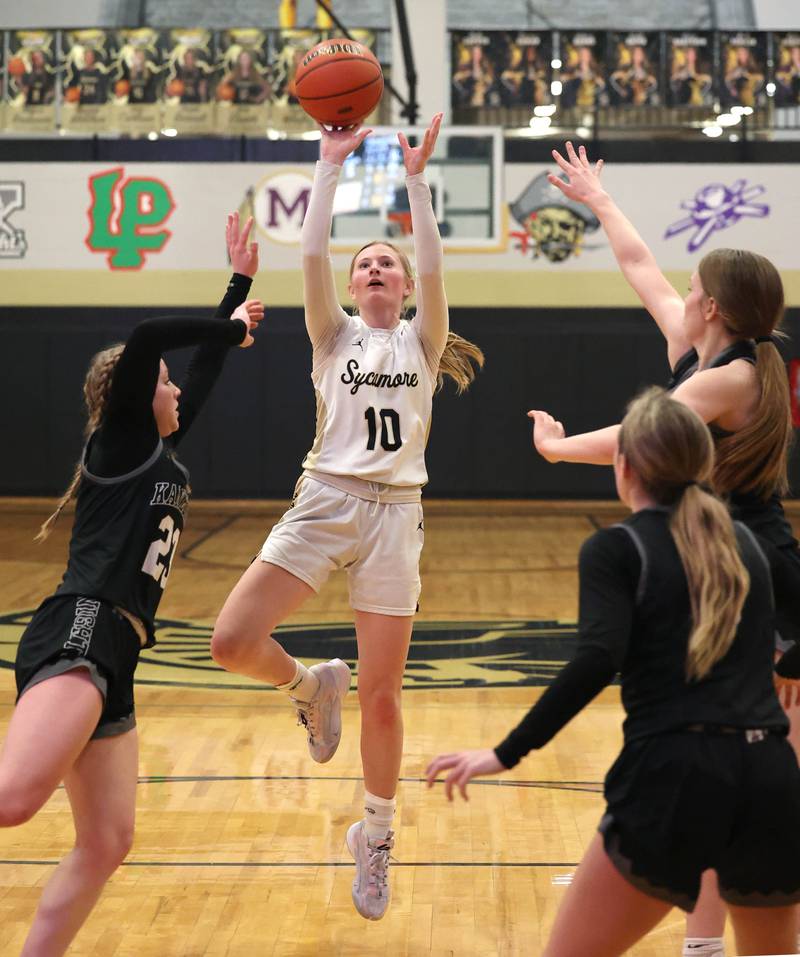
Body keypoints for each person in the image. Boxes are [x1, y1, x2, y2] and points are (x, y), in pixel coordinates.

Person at [528, 141, 800, 957]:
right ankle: (709, 938)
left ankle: (716, 938)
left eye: (693, 290)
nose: (678, 293)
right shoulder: (712, 353)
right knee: (736, 768)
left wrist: (558, 446)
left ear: (713, 308)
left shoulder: (736, 376)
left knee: (758, 767)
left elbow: (650, 433)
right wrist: (600, 201)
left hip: (766, 580)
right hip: (733, 571)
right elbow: (643, 267)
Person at [210, 113, 483, 921]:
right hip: (325, 499)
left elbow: (434, 265)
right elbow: (309, 256)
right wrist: (328, 165)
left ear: (401, 287)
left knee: (387, 696)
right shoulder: (330, 339)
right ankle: (308, 683)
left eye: (385, 264)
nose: (372, 269)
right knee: (230, 641)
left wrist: (417, 182)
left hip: (397, 516)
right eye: (364, 262)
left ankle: (377, 836)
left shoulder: (422, 343)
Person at [427, 387, 800, 957]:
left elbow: (597, 660)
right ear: (704, 462)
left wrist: (505, 752)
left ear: (624, 466)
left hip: (675, 777)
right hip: (771, 778)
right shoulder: (745, 542)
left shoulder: (617, 549)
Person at [0, 213, 263, 957]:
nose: (177, 388)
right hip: (82, 626)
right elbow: (149, 334)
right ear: (139, 390)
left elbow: (201, 375)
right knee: (14, 802)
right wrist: (230, 326)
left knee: (108, 840)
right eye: (167, 381)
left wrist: (236, 288)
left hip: (119, 648)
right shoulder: (115, 441)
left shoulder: (156, 451)